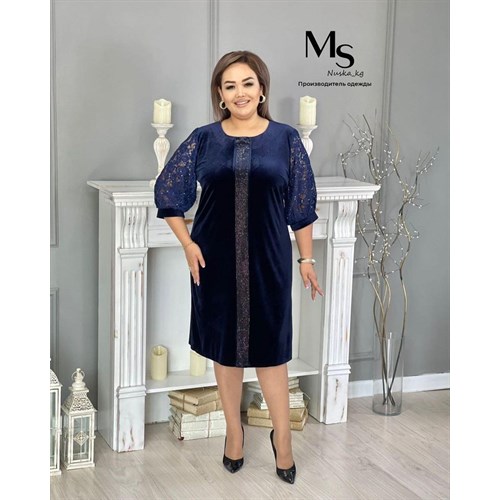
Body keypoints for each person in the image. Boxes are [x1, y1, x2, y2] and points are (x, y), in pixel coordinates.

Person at [154, 50, 323, 484]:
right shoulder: (204, 139)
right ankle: (234, 433)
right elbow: (168, 192)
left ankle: (282, 439)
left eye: (248, 83)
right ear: (220, 94)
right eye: (230, 86)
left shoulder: (285, 139)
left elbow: (301, 205)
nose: (240, 92)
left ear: (262, 89)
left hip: (269, 259)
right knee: (225, 350)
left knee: (272, 352)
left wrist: (306, 259)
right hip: (214, 260)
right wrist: (188, 244)